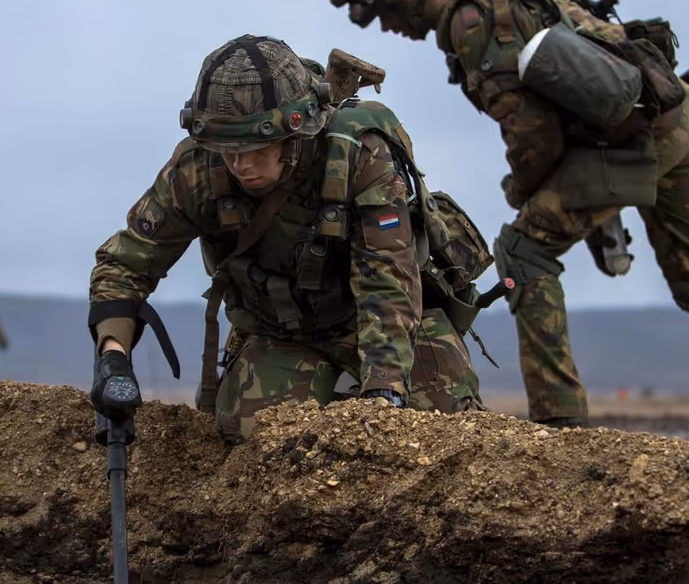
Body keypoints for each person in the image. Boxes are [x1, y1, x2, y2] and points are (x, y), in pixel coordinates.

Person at [325, 0, 689, 459]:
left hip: (637, 139)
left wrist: (521, 188)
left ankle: (562, 437)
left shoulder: (470, 21)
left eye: (387, 11)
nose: (389, 27)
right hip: (675, 114)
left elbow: (534, 137)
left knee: (523, 253)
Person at [87, 34, 498, 443]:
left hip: (385, 319)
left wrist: (383, 397)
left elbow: (387, 284)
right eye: (228, 150)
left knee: (443, 429)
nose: (239, 164)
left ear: (297, 131)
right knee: (261, 441)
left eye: (256, 148)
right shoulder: (199, 168)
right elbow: (125, 263)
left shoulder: (360, 154)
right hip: (281, 332)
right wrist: (113, 357)